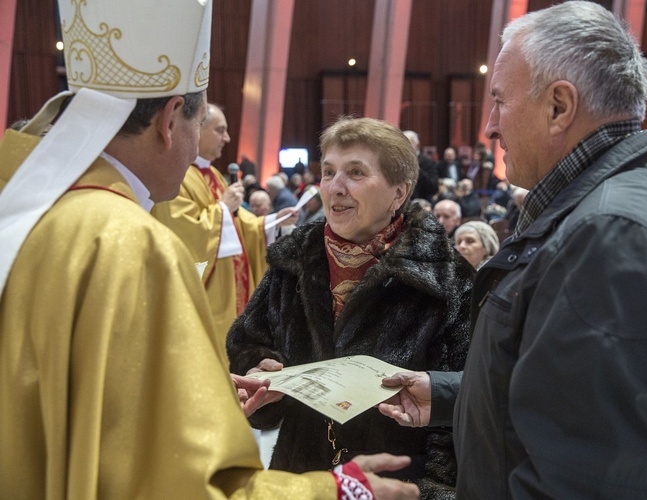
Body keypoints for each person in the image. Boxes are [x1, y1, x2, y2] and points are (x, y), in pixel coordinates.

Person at [0, 1, 418, 498]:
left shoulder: (30, 212)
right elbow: (183, 485)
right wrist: (340, 491)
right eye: (330, 172)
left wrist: (211, 394)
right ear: (172, 117)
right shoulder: (129, 242)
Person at [383, 2, 647, 498]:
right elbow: (574, 399)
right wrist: (452, 396)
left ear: (558, 107)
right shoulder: (615, 207)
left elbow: (588, 478)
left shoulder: (612, 236)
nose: (490, 126)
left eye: (500, 101)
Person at [226, 117, 475, 496]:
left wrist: (433, 490)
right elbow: (248, 343)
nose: (335, 187)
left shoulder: (446, 278)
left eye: (355, 172)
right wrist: (260, 372)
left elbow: (462, 400)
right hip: (302, 481)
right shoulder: (292, 262)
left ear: (399, 193)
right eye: (328, 172)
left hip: (395, 486)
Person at [152, 103, 295, 340]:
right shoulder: (176, 173)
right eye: (220, 130)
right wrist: (222, 209)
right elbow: (180, 229)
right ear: (198, 127)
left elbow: (241, 223)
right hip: (211, 291)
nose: (226, 138)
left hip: (231, 285)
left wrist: (270, 222)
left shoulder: (214, 175)